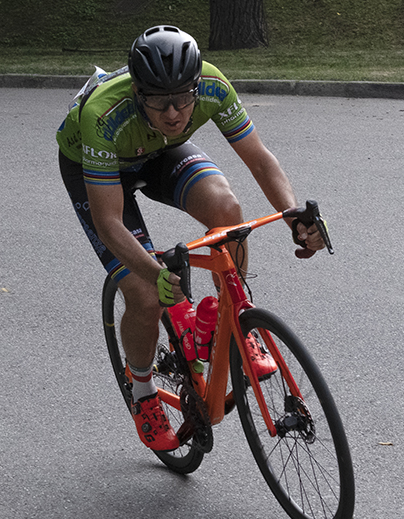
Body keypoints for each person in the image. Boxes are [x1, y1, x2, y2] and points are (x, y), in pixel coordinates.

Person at [58, 25, 324, 452]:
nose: (173, 112)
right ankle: (142, 389)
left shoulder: (214, 86)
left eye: (183, 98)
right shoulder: (104, 115)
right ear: (138, 94)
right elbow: (110, 223)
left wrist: (292, 215)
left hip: (161, 153)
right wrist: (154, 272)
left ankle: (233, 322)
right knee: (145, 294)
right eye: (158, 101)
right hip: (97, 166)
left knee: (228, 212)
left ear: (197, 86)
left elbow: (258, 158)